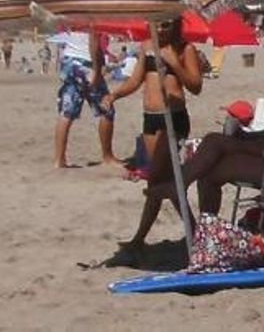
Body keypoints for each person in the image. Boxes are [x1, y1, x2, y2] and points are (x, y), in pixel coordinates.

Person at [147, 35, 264, 216]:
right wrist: (248, 137)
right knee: (212, 157)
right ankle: (199, 218)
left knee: (214, 146)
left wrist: (246, 145)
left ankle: (181, 191)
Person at [102, 17, 203, 263]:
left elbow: (196, 85)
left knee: (158, 179)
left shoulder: (185, 48)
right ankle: (195, 234)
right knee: (165, 181)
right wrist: (114, 95)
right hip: (150, 118)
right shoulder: (146, 46)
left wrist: (174, 63)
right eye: (156, 23)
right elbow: (135, 81)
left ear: (176, 25)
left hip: (173, 119)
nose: (160, 28)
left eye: (165, 24)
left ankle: (141, 239)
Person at [53, 31, 117, 168]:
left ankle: (59, 159)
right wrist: (97, 70)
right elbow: (93, 41)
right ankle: (107, 156)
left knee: (66, 112)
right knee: (106, 109)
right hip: (85, 62)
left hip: (69, 61)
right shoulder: (93, 19)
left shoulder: (74, 19)